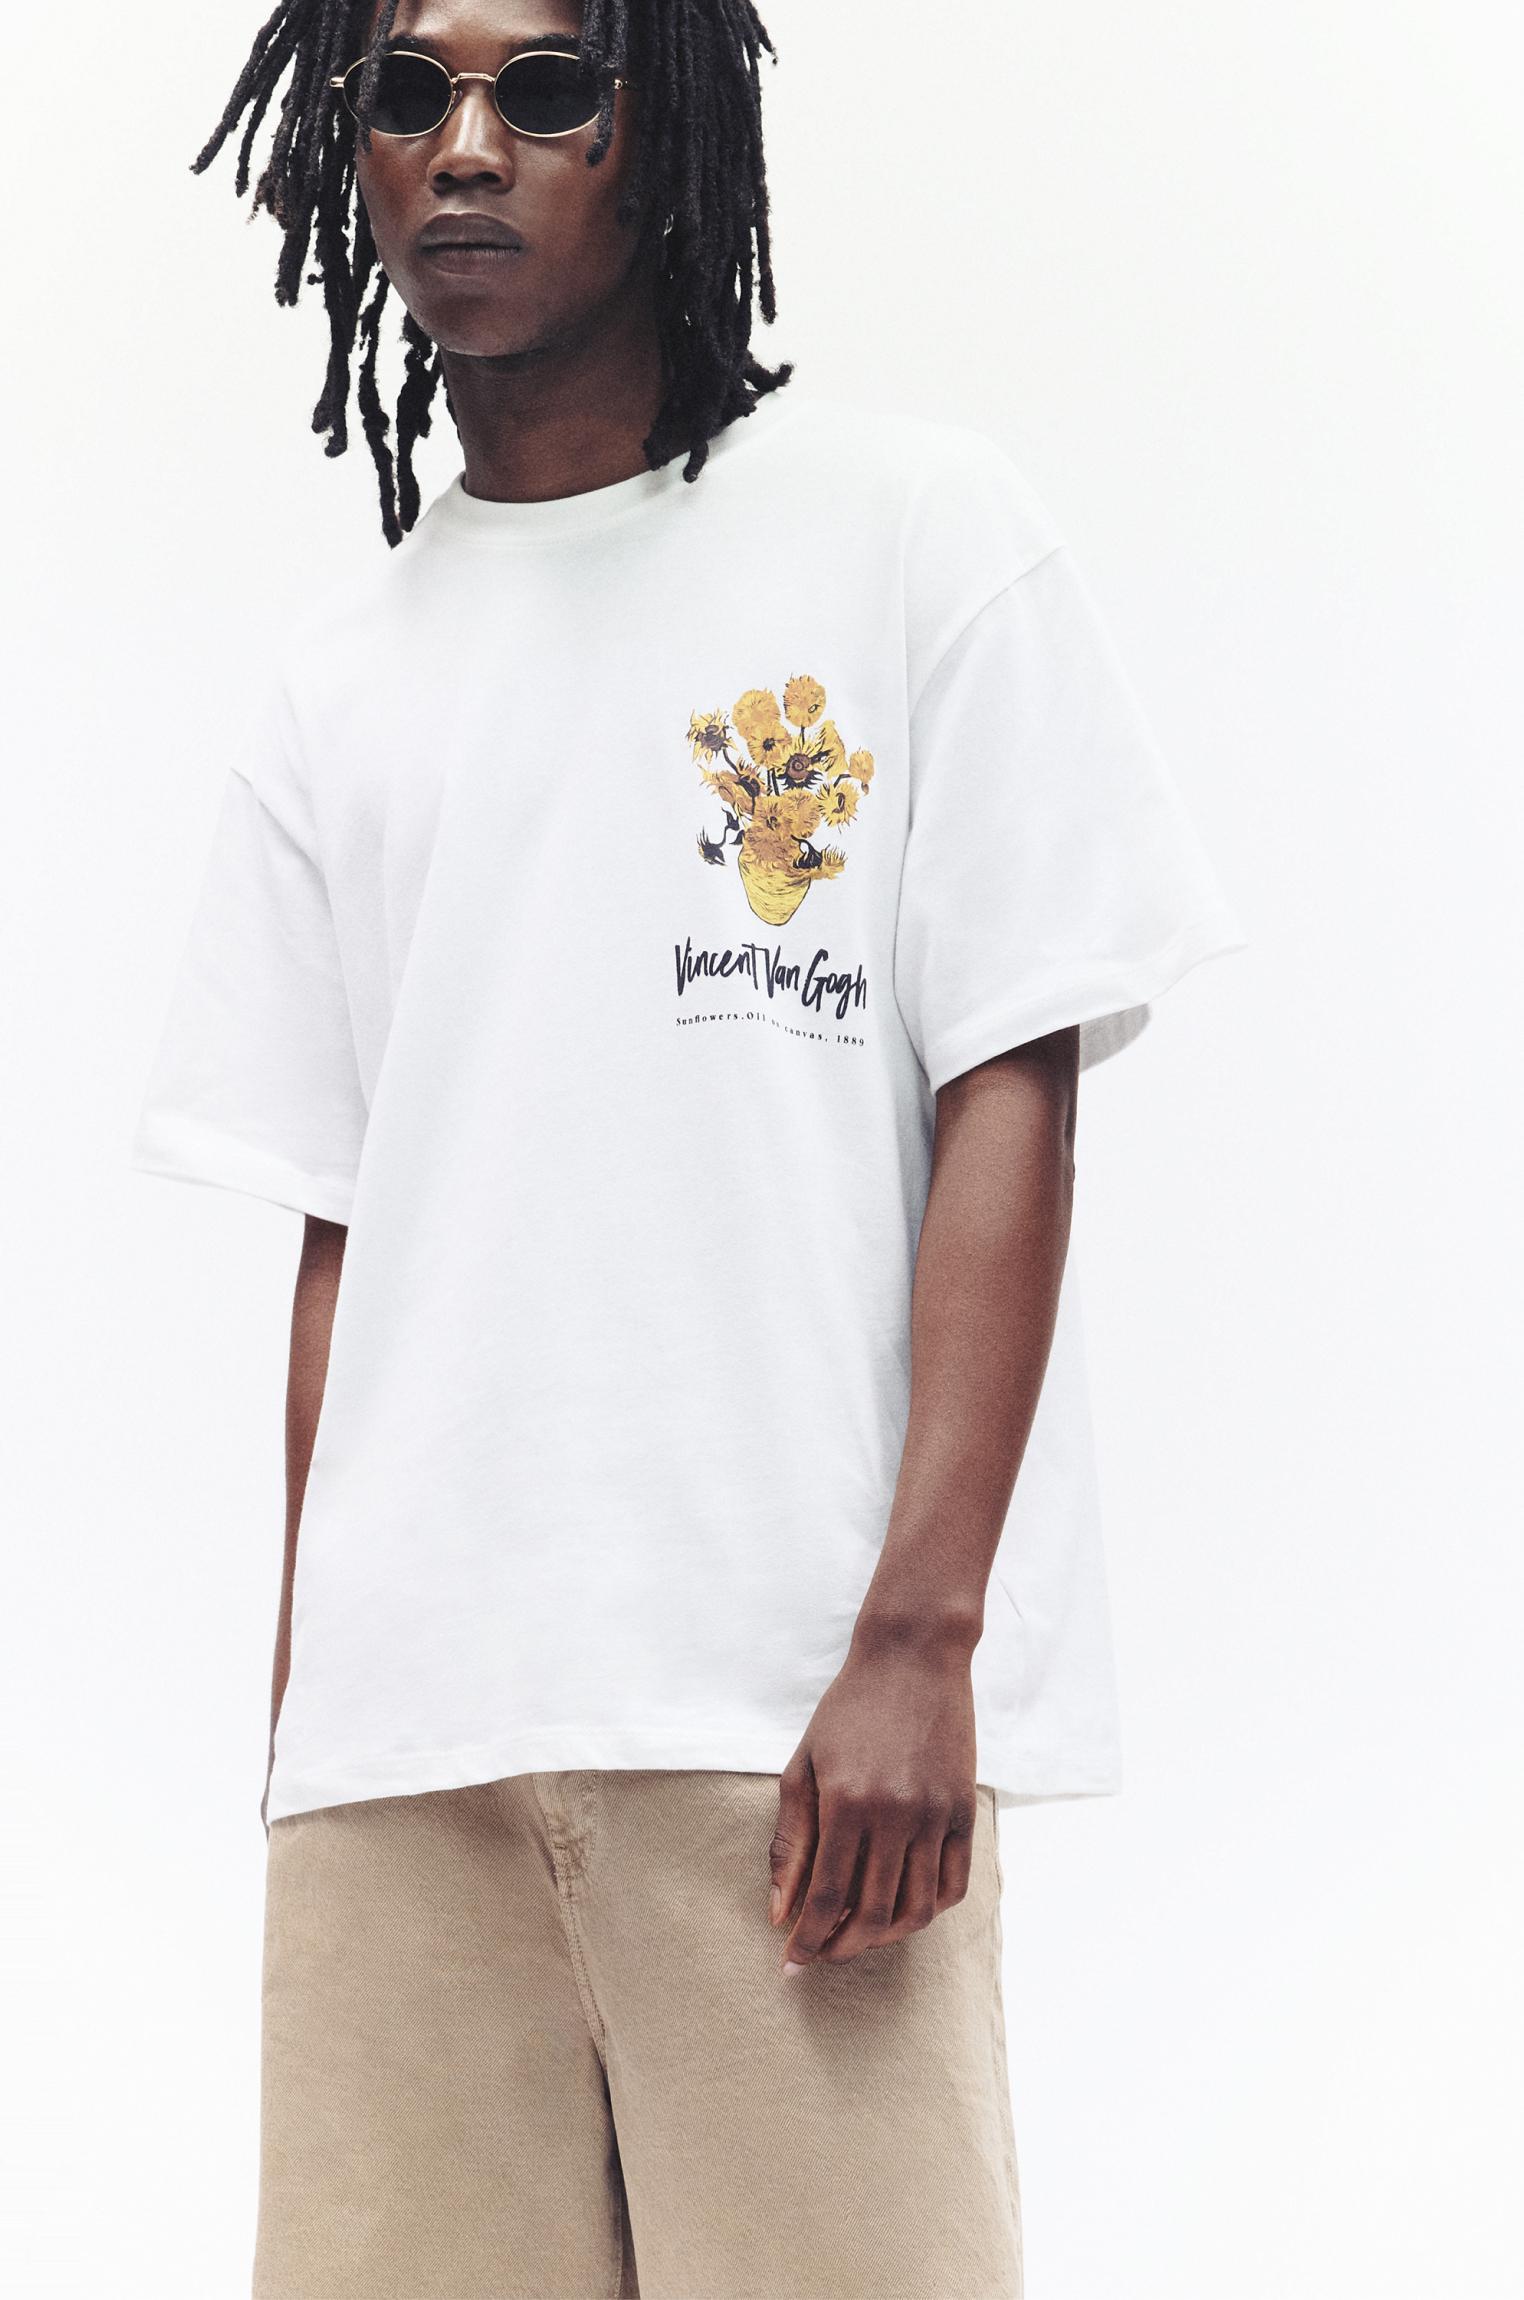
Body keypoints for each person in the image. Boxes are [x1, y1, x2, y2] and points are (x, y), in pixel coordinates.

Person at [130, 2, 1246, 2294]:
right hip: (406, 1777)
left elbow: (1008, 1081)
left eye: (546, 87)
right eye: (407, 93)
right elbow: (347, 1246)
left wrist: (920, 1636)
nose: (466, 146)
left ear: (667, 137)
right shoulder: (341, 687)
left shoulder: (909, 535)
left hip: (791, 1738)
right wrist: (311, 1726)